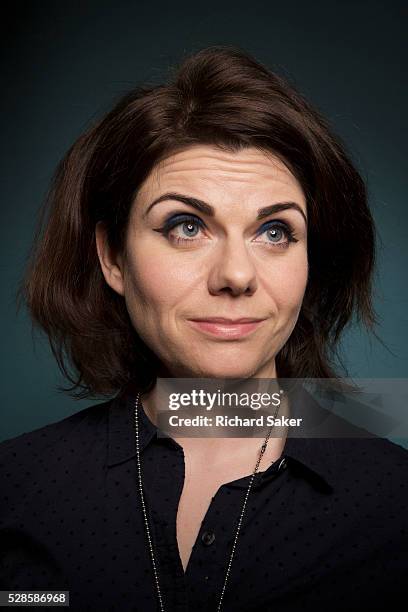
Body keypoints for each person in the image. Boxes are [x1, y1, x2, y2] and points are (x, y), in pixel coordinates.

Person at [0, 46, 406, 612]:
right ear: (113, 257)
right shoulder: (15, 489)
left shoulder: (395, 504)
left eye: (275, 232)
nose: (237, 275)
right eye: (186, 226)